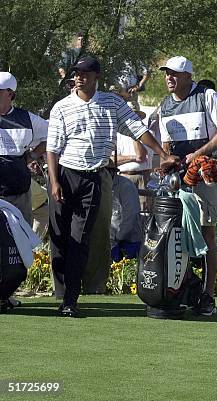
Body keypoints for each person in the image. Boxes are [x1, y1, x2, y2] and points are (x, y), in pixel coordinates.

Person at [46, 56, 177, 318]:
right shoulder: (61, 107)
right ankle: (61, 293)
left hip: (94, 177)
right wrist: (54, 181)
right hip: (65, 175)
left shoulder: (111, 103)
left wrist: (162, 154)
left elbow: (138, 129)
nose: (80, 77)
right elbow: (53, 148)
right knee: (60, 237)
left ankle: (70, 300)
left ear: (96, 76)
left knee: (80, 238)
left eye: (85, 72)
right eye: (77, 73)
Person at [158, 56, 217, 316]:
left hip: (206, 174)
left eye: (175, 74)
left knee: (206, 232)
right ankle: (184, 287)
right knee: (176, 233)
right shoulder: (164, 105)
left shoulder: (206, 96)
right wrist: (166, 162)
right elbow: (166, 146)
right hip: (178, 178)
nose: (169, 78)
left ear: (189, 76)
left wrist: (200, 153)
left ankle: (208, 295)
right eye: (167, 73)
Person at [0, 71, 48, 226]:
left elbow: (53, 135)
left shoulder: (27, 119)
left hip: (19, 194)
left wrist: (33, 155)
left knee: (20, 243)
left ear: (9, 93)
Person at [115, 109, 152, 211]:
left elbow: (141, 155)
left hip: (142, 176)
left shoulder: (148, 134)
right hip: (123, 176)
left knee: (143, 211)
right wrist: (132, 158)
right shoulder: (117, 135)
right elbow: (112, 159)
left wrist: (134, 136)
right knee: (123, 211)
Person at [110, 172, 142, 261]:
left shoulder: (126, 186)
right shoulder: (102, 184)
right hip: (111, 240)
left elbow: (131, 215)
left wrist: (117, 238)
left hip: (128, 240)